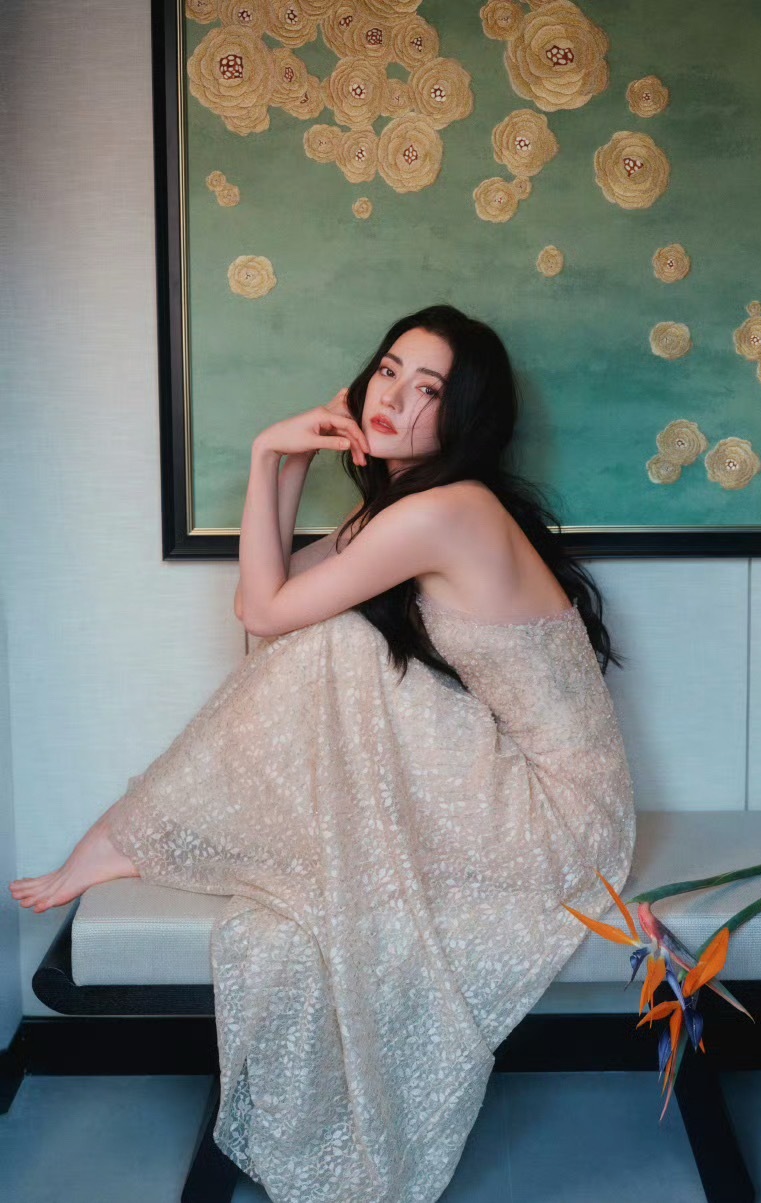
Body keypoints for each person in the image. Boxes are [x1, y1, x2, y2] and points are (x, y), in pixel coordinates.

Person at [9, 304, 637, 1203]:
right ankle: (137, 831)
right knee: (331, 640)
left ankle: (132, 830)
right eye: (389, 371)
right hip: (516, 789)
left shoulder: (448, 511)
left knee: (340, 643)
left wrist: (271, 453)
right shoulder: (403, 510)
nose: (396, 398)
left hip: (561, 825)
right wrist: (279, 456)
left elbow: (268, 614)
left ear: (464, 417)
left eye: (429, 390)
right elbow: (261, 605)